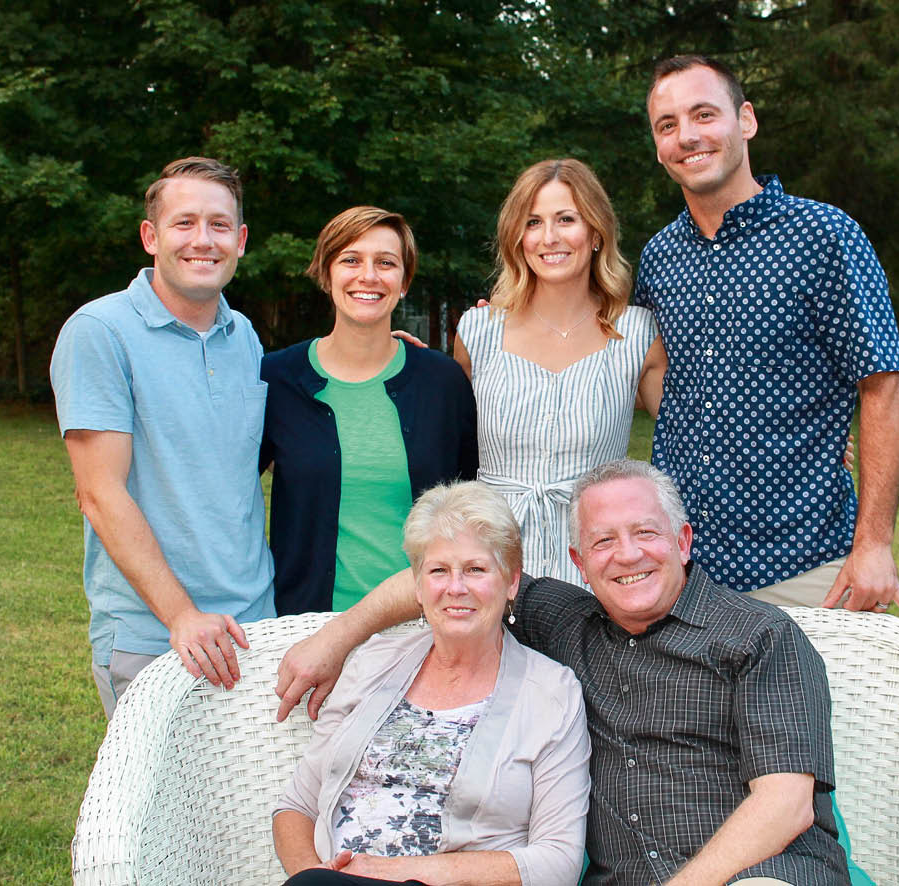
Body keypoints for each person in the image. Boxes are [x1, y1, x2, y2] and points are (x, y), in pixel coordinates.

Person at [274, 460, 849, 885]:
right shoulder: (567, 620)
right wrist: (339, 637)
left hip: (760, 875)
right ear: (579, 562)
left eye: (645, 533)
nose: (626, 555)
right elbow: (455, 573)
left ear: (683, 540)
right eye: (603, 541)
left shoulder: (758, 635)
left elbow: (785, 803)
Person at [636, 55, 899, 619]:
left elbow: (882, 386)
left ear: (745, 121)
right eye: (667, 125)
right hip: (684, 569)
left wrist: (874, 547)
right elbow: (654, 367)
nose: (687, 136)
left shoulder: (825, 236)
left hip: (806, 564)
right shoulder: (659, 256)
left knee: (827, 710)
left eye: (703, 114)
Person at [272, 481, 590, 886]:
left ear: (511, 581)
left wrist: (393, 874)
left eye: (475, 569)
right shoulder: (372, 664)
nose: (456, 587)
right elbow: (295, 806)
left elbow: (558, 863)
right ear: (418, 587)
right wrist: (311, 873)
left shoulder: (552, 693)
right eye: (438, 570)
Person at [49, 157, 275, 718]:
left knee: (249, 804)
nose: (204, 240)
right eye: (184, 223)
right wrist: (181, 617)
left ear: (241, 240)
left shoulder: (241, 334)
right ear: (151, 236)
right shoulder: (100, 333)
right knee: (148, 807)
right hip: (157, 634)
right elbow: (100, 494)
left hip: (256, 627)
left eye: (220, 225)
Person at [453, 159, 667, 584]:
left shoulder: (637, 333)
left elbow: (697, 432)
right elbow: (438, 436)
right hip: (495, 563)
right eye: (533, 222)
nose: (549, 238)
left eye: (566, 219)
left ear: (595, 232)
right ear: (518, 237)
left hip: (596, 565)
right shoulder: (477, 332)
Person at [260, 207, 478, 616]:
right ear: (326, 275)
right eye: (350, 260)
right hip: (309, 627)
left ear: (404, 281)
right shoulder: (276, 379)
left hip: (422, 625)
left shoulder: (441, 382)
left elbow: (469, 503)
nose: (369, 276)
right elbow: (230, 495)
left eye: (386, 263)